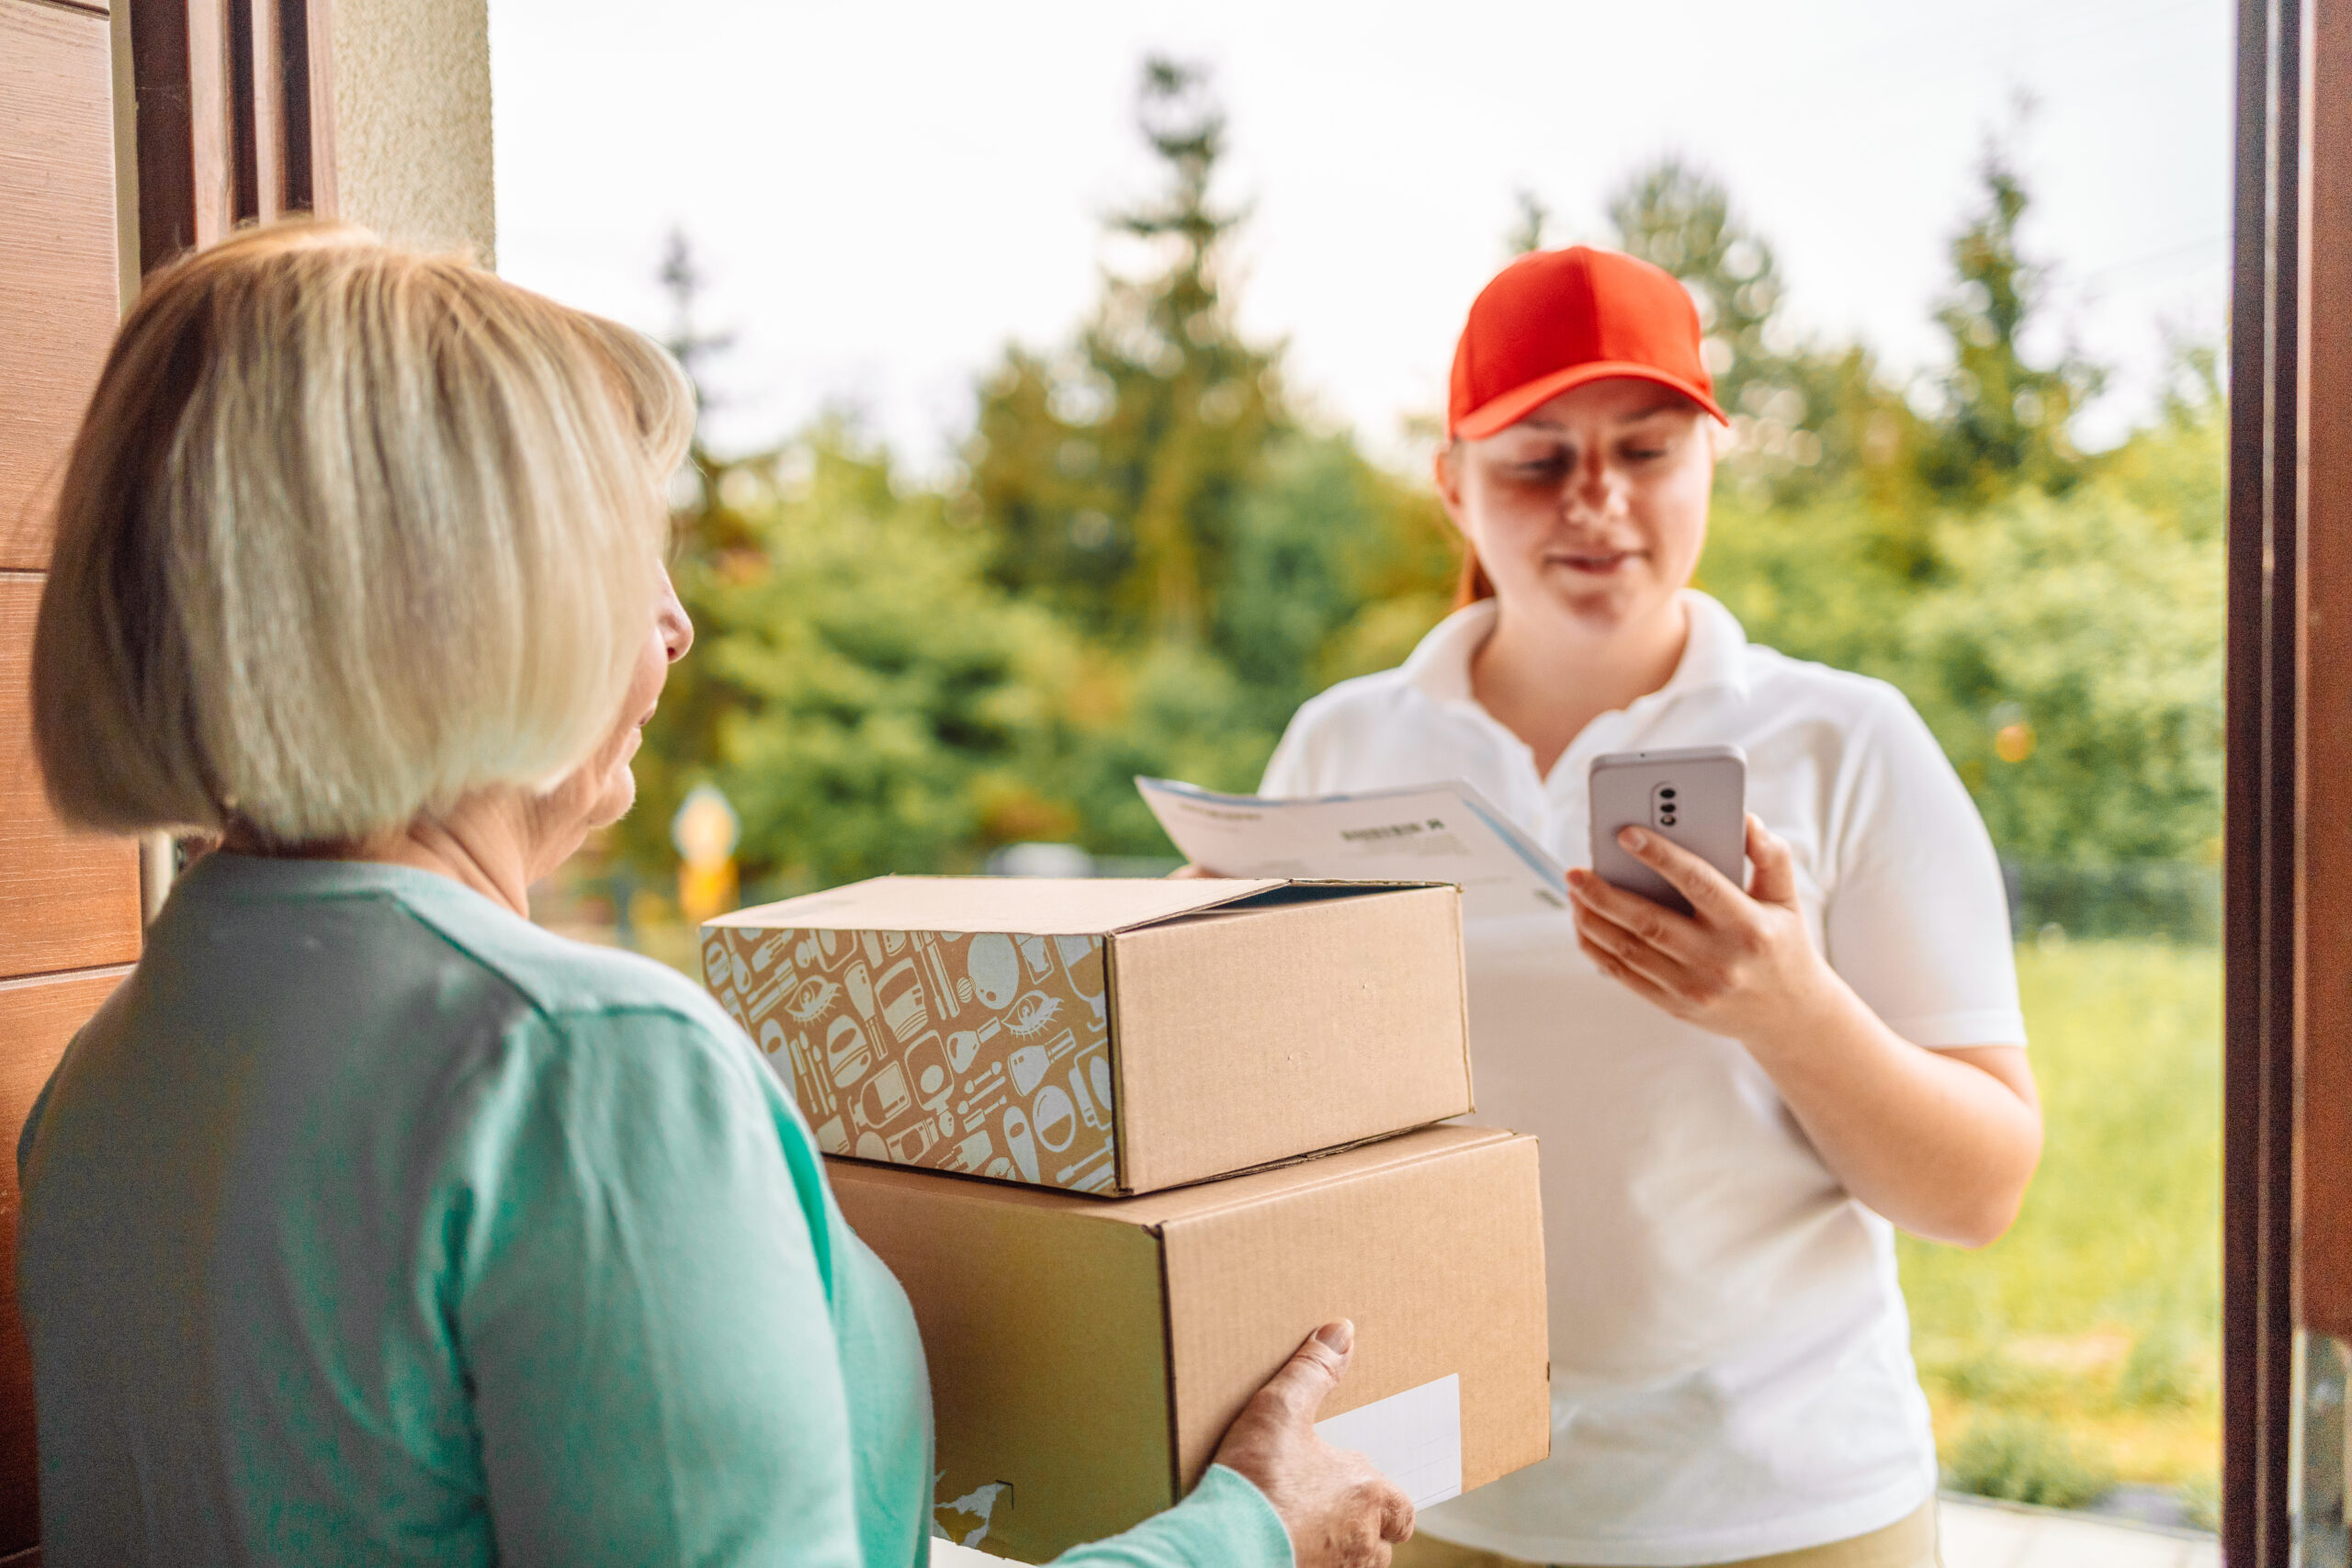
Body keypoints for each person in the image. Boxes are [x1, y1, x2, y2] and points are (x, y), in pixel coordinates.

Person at [17, 223, 1415, 1568]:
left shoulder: (110, 1071)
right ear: (465, 593)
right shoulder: (580, 1067)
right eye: (633, 558)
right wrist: (1246, 1535)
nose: (677, 625)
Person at [1246, 247, 2043, 1568]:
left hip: (1783, 1508)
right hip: (1421, 1499)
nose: (1597, 500)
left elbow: (1979, 1193)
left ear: (1711, 465)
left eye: (1648, 448)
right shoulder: (1343, 746)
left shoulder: (1847, 740)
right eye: (1538, 457)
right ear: (1455, 487)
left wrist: (1789, 1011)